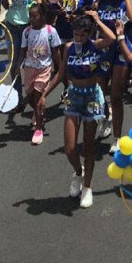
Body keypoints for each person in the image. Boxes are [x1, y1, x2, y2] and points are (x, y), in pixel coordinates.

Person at [39, 12, 115, 208]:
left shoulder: (95, 46)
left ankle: (88, 187)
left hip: (91, 97)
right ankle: (79, 173)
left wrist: (97, 20)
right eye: (76, 34)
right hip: (74, 96)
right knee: (70, 148)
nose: (78, 38)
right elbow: (61, 73)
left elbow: (112, 38)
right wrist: (44, 94)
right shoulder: (68, 48)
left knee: (88, 147)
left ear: (88, 34)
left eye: (82, 35)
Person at [95, 0, 132, 149]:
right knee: (99, 92)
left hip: (120, 51)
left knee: (116, 95)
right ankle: (105, 117)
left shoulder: (123, 3)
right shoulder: (101, 3)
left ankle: (117, 137)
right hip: (103, 51)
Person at [16, 4, 62, 145]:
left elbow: (56, 51)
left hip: (44, 68)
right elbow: (23, 50)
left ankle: (39, 128)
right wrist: (18, 66)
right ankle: (38, 113)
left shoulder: (50, 31)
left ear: (42, 16)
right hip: (29, 68)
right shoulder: (27, 32)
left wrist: (60, 67)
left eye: (34, 16)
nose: (31, 19)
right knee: (32, 97)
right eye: (30, 16)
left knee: (37, 95)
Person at [2, 0, 41, 110]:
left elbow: (39, 0)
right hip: (13, 27)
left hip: (29, 28)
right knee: (14, 64)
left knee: (31, 64)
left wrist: (39, 10)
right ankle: (17, 99)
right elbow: (6, 5)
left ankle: (33, 96)